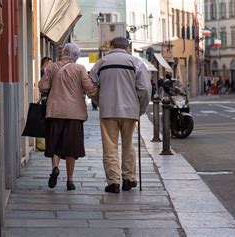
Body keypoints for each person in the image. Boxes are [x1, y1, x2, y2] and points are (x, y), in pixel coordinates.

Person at [89, 37, 152, 193]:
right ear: (127, 47)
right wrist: (141, 108)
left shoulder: (101, 63)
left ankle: (113, 182)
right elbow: (144, 89)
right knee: (128, 144)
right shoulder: (136, 63)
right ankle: (128, 178)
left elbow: (91, 85)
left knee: (110, 146)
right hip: (130, 110)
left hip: (108, 109)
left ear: (111, 46)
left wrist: (98, 101)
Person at [38, 43, 99, 191]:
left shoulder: (52, 67)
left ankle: (55, 168)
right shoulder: (79, 69)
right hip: (74, 113)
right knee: (71, 147)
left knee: (55, 144)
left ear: (63, 53)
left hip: (55, 112)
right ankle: (70, 180)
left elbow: (42, 87)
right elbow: (90, 89)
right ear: (76, 56)